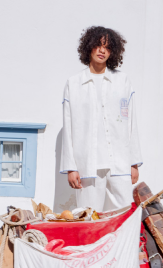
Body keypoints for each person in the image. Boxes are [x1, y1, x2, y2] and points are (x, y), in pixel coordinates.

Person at [60, 26, 142, 213]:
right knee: (88, 216)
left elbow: (131, 123)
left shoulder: (122, 81)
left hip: (119, 163)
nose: (102, 50)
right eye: (98, 45)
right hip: (87, 164)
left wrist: (133, 162)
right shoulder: (73, 84)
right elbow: (68, 127)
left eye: (107, 47)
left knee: (124, 214)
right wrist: (71, 168)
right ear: (89, 47)